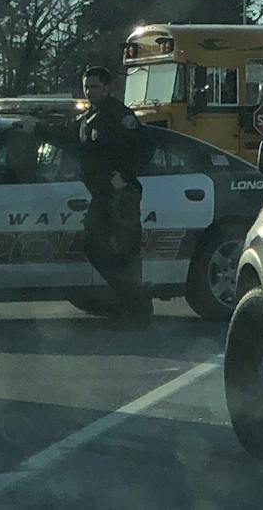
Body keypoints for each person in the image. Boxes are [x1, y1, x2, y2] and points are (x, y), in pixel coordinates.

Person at [76, 65, 153, 329]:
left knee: (125, 251)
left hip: (122, 196)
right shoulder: (89, 117)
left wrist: (126, 175)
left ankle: (138, 312)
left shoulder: (120, 116)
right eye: (86, 86)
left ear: (107, 88)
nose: (89, 91)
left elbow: (144, 148)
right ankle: (129, 301)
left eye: (95, 86)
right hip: (101, 195)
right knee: (94, 246)